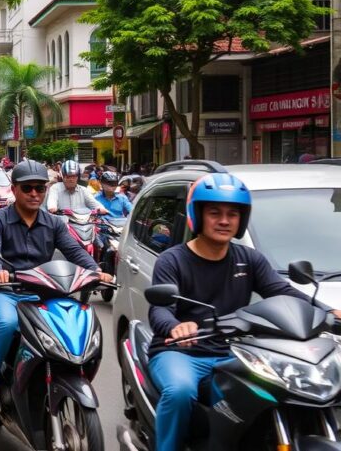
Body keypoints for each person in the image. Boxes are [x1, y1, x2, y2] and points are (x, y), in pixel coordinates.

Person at [146, 173, 341, 451]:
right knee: (179, 392)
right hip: (181, 353)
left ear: (241, 220)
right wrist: (177, 327)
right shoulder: (173, 260)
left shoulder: (249, 259)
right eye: (215, 212)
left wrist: (327, 311)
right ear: (197, 215)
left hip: (234, 352)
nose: (224, 220)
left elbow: (284, 292)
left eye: (232, 214)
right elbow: (161, 309)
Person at [0, 160, 113, 412]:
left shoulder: (54, 223)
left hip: (42, 293)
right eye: (27, 188)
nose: (34, 194)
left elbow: (75, 251)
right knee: (7, 323)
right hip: (3, 292)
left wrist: (96, 271)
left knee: (75, 320)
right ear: (14, 189)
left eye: (40, 188)